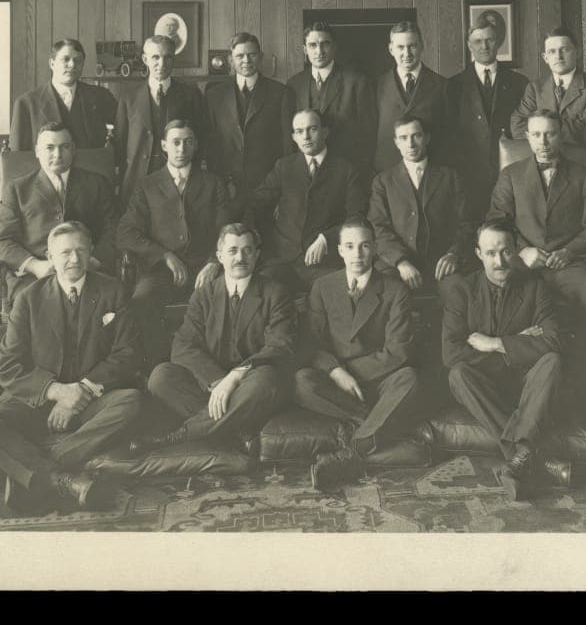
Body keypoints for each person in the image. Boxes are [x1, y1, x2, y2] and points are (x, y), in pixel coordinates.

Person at [0, 221, 143, 512]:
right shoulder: (28, 299)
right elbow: (8, 367)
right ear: (50, 256)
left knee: (132, 403)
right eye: (65, 253)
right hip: (36, 401)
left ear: (91, 252)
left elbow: (128, 353)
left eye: (81, 250)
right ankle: (61, 478)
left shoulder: (112, 291)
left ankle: (25, 470)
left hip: (92, 400)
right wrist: (56, 391)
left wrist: (81, 391)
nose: (74, 259)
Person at [128, 224, 296, 454]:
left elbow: (279, 346)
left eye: (247, 250)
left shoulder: (275, 293)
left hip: (251, 382)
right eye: (232, 251)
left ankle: (177, 437)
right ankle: (236, 431)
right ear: (219, 257)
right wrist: (217, 381)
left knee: (266, 379)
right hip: (211, 387)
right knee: (161, 377)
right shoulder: (203, 295)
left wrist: (234, 378)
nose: (240, 257)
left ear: (257, 255)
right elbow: (183, 345)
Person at [487, 109, 586, 409]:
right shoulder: (511, 176)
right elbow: (494, 223)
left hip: (568, 264)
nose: (543, 141)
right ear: (527, 137)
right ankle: (510, 383)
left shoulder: (583, 176)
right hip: (522, 265)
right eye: (537, 134)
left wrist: (569, 251)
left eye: (550, 134)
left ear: (561, 135)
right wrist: (520, 250)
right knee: (497, 303)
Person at [440, 221, 570, 500]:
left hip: (527, 387)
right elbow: (451, 353)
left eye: (505, 252)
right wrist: (518, 346)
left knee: (552, 361)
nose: (499, 262)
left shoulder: (535, 288)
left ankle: (519, 459)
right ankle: (528, 455)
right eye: (490, 253)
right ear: (478, 254)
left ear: (515, 250)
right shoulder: (462, 290)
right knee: (458, 375)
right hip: (484, 387)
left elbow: (554, 341)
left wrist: (496, 343)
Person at [295, 217, 425, 491]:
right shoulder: (322, 286)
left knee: (409, 378)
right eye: (350, 246)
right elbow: (311, 343)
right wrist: (336, 371)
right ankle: (377, 422)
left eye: (365, 246)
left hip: (381, 378)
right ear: (339, 250)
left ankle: (353, 451)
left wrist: (351, 372)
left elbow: (398, 352)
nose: (357, 254)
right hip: (336, 382)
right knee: (301, 381)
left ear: (375, 249)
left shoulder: (395, 289)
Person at [116, 120, 230, 370]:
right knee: (142, 300)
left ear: (195, 146)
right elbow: (125, 233)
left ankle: (210, 369)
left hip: (205, 267)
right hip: (160, 271)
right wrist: (164, 255)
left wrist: (213, 262)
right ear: (164, 146)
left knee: (226, 300)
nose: (181, 148)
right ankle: (160, 367)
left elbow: (226, 231)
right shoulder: (147, 185)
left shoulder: (213, 183)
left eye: (187, 142)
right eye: (175, 142)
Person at [0, 122, 117, 307]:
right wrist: (35, 265)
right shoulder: (17, 190)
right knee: (35, 307)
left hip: (88, 270)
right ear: (37, 151)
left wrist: (93, 261)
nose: (57, 154)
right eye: (49, 148)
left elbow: (113, 230)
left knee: (106, 302)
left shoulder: (96, 184)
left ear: (73, 150)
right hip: (35, 276)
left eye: (64, 147)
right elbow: (1, 241)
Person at [248, 108, 367, 294]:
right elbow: (256, 204)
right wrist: (264, 241)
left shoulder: (345, 170)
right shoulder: (284, 166)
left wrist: (327, 238)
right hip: (282, 259)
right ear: (293, 137)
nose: (306, 137)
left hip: (324, 263)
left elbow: (356, 217)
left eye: (312, 129)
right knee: (260, 295)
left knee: (339, 295)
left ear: (325, 132)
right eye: (299, 131)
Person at [368, 116, 473, 291]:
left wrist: (454, 253)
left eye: (416, 136)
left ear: (427, 138)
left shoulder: (450, 177)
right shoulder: (383, 181)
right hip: (397, 264)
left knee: (457, 289)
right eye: (403, 138)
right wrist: (401, 262)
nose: (410, 144)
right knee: (383, 289)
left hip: (442, 263)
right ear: (396, 143)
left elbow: (467, 223)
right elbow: (377, 227)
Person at [202, 32, 295, 215]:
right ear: (230, 60)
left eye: (251, 54)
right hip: (227, 190)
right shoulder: (214, 95)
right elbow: (210, 145)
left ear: (260, 57)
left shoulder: (280, 93)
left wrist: (283, 192)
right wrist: (219, 185)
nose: (246, 60)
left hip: (268, 188)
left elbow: (288, 148)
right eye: (239, 56)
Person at [446, 19, 529, 217]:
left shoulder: (518, 82)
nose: (484, 46)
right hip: (468, 173)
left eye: (489, 40)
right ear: (469, 45)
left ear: (498, 42)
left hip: (508, 171)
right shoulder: (453, 86)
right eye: (478, 41)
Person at [114, 35, 208, 209]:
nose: (162, 63)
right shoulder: (129, 97)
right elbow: (120, 143)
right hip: (138, 179)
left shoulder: (190, 95)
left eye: (167, 57)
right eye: (155, 57)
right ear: (145, 59)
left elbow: (200, 138)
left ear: (174, 59)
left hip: (179, 179)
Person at [287, 21, 377, 177]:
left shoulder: (356, 81)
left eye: (325, 44)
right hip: (307, 171)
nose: (319, 51)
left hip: (347, 171)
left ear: (334, 47)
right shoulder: (294, 84)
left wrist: (359, 172)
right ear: (305, 50)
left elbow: (368, 133)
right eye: (313, 45)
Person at [10, 38, 118, 151]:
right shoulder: (27, 104)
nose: (72, 64)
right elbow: (18, 157)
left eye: (78, 60)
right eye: (65, 59)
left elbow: (119, 139)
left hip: (92, 168)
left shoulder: (101, 97)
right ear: (52, 63)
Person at [510, 27, 586, 146]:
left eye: (564, 49)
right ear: (545, 58)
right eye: (552, 51)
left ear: (577, 52)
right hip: (544, 159)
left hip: (585, 159)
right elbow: (517, 124)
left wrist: (540, 131)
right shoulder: (534, 88)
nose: (558, 56)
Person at [373, 21, 449, 172]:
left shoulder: (442, 86)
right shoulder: (377, 86)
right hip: (388, 172)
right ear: (391, 49)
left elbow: (449, 134)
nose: (406, 53)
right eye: (400, 47)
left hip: (432, 171)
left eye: (412, 46)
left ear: (421, 46)